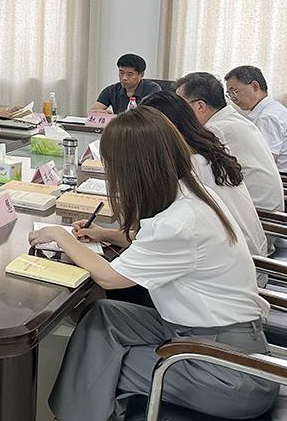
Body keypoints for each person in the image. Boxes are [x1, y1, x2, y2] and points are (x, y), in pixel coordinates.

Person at [29, 107, 277, 421]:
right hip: (201, 334)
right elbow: (159, 245)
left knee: (102, 365)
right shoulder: (189, 193)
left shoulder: (179, 223)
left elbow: (109, 277)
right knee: (103, 315)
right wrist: (106, 234)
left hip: (229, 371)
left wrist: (60, 237)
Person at [141, 90, 268, 265]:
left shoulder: (191, 165)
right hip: (245, 253)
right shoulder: (207, 151)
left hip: (234, 261)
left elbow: (161, 230)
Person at [175, 72, 283, 212]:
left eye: (181, 106)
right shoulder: (231, 120)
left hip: (260, 213)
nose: (178, 112)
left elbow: (193, 173)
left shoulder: (216, 130)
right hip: (263, 207)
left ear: (200, 106)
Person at [225, 65, 287, 173]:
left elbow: (266, 162)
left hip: (280, 178)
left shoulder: (267, 117)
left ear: (254, 86)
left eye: (234, 91)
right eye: (229, 94)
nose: (233, 98)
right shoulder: (271, 109)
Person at [90, 53, 160, 114]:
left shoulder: (152, 89)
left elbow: (153, 115)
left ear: (141, 75)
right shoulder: (111, 90)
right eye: (121, 73)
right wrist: (102, 113)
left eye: (130, 74)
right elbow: (93, 111)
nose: (124, 78)